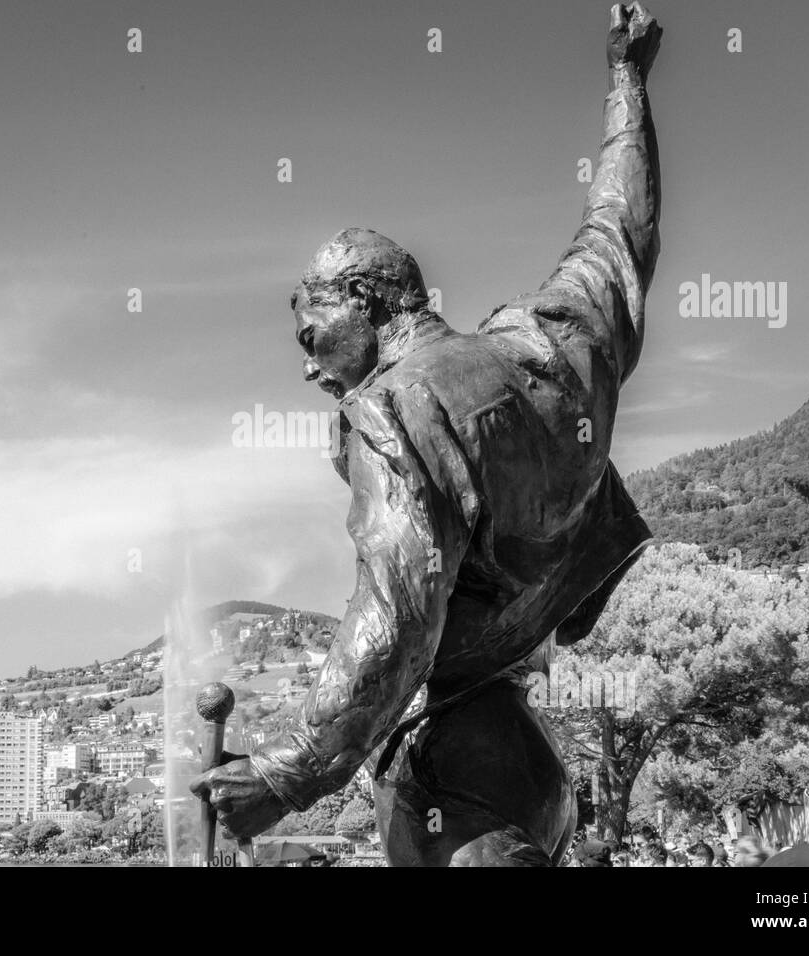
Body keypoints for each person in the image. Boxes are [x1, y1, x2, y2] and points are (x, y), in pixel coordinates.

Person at [191, 4, 665, 867]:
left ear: (365, 304)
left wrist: (289, 773)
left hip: (455, 779)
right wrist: (626, 83)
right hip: (532, 774)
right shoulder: (549, 346)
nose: (309, 369)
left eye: (312, 336)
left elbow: (400, 613)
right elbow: (618, 235)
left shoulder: (395, 412)